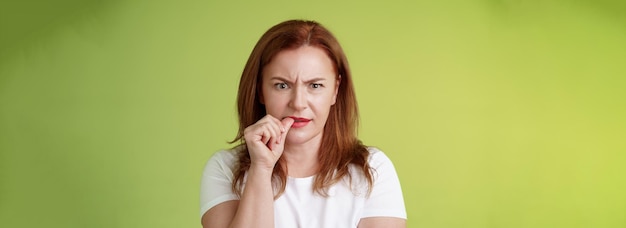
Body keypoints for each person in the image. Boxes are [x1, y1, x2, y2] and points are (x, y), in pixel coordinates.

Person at [200, 19, 406, 228]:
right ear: (260, 90)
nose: (298, 104)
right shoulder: (224, 169)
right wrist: (261, 168)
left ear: (335, 90)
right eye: (282, 85)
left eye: (315, 85)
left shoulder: (373, 170)